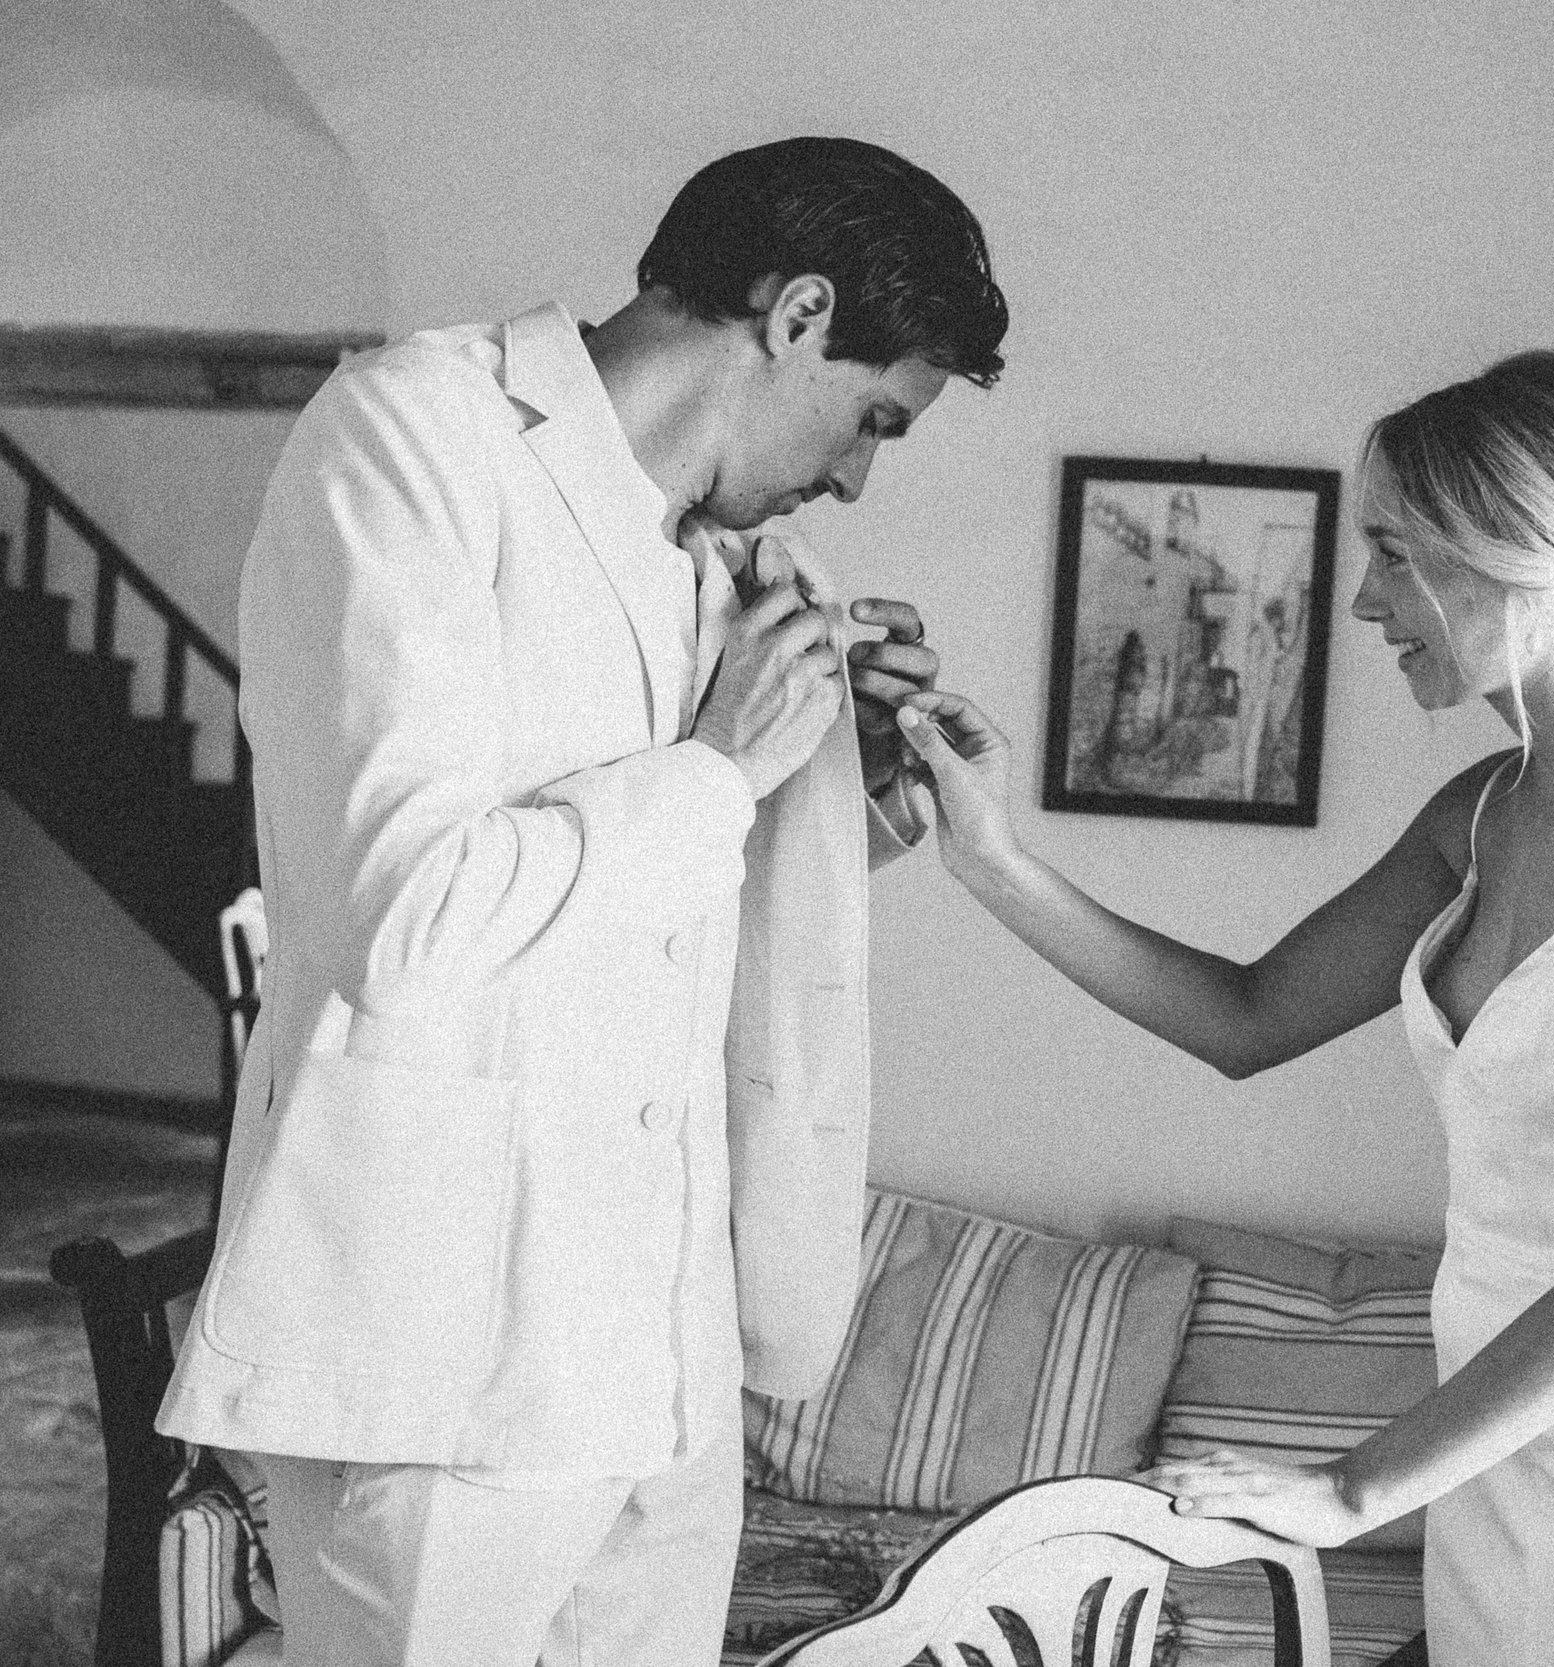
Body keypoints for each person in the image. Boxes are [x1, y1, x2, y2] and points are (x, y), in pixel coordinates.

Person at [155, 137, 1008, 1665]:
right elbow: (398, 920)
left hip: (659, 1356)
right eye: (874, 419)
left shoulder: (731, 557)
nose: (859, 475)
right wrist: (727, 767)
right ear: (799, 313)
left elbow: (664, 909)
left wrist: (839, 791)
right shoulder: (414, 435)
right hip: (443, 1342)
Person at [892, 351, 1554, 1666]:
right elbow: (1245, 1018)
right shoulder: (1484, 811)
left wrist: (1348, 1490)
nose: (1367, 596)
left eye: (1394, 551)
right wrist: (992, 859)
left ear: (1518, 551)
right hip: (1490, 1469)